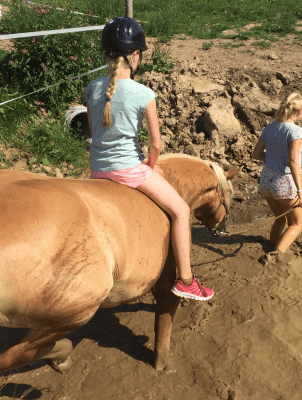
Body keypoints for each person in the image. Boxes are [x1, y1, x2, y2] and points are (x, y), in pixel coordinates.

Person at [84, 17, 213, 300]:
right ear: (134, 57)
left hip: (97, 170)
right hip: (128, 170)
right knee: (180, 210)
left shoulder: (92, 88)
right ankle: (186, 279)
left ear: (107, 55)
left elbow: (95, 135)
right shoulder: (144, 93)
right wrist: (149, 165)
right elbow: (156, 144)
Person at [251, 92, 302, 260]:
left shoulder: (270, 127)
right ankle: (274, 255)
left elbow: (256, 154)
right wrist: (301, 191)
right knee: (296, 223)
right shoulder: (296, 131)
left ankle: (272, 245)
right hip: (284, 182)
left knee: (280, 219)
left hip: (267, 179)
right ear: (299, 112)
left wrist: (272, 159)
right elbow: (293, 162)